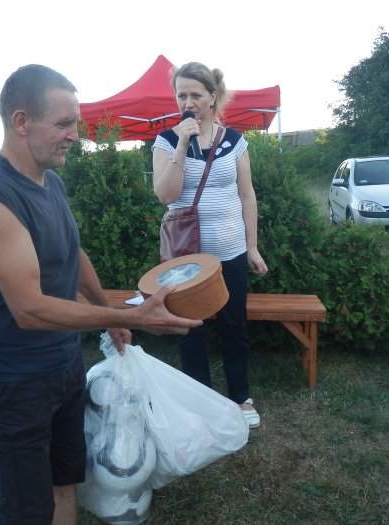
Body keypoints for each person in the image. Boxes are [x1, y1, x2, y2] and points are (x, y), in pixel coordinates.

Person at [0, 64, 201, 525]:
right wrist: (134, 318)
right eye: (63, 124)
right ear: (21, 121)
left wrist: (109, 311)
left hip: (64, 366)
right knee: (27, 510)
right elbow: (29, 309)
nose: (74, 135)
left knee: (66, 481)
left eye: (76, 124)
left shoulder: (49, 181)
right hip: (12, 383)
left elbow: (73, 251)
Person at [152, 62, 268, 428]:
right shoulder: (166, 141)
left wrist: (252, 246)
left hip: (230, 251)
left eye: (195, 95)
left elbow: (247, 195)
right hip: (186, 257)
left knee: (234, 326)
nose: (187, 103)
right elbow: (166, 195)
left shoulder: (234, 140)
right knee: (191, 329)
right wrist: (182, 144)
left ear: (212, 97)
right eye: (181, 95)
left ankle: (241, 396)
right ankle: (199, 401)